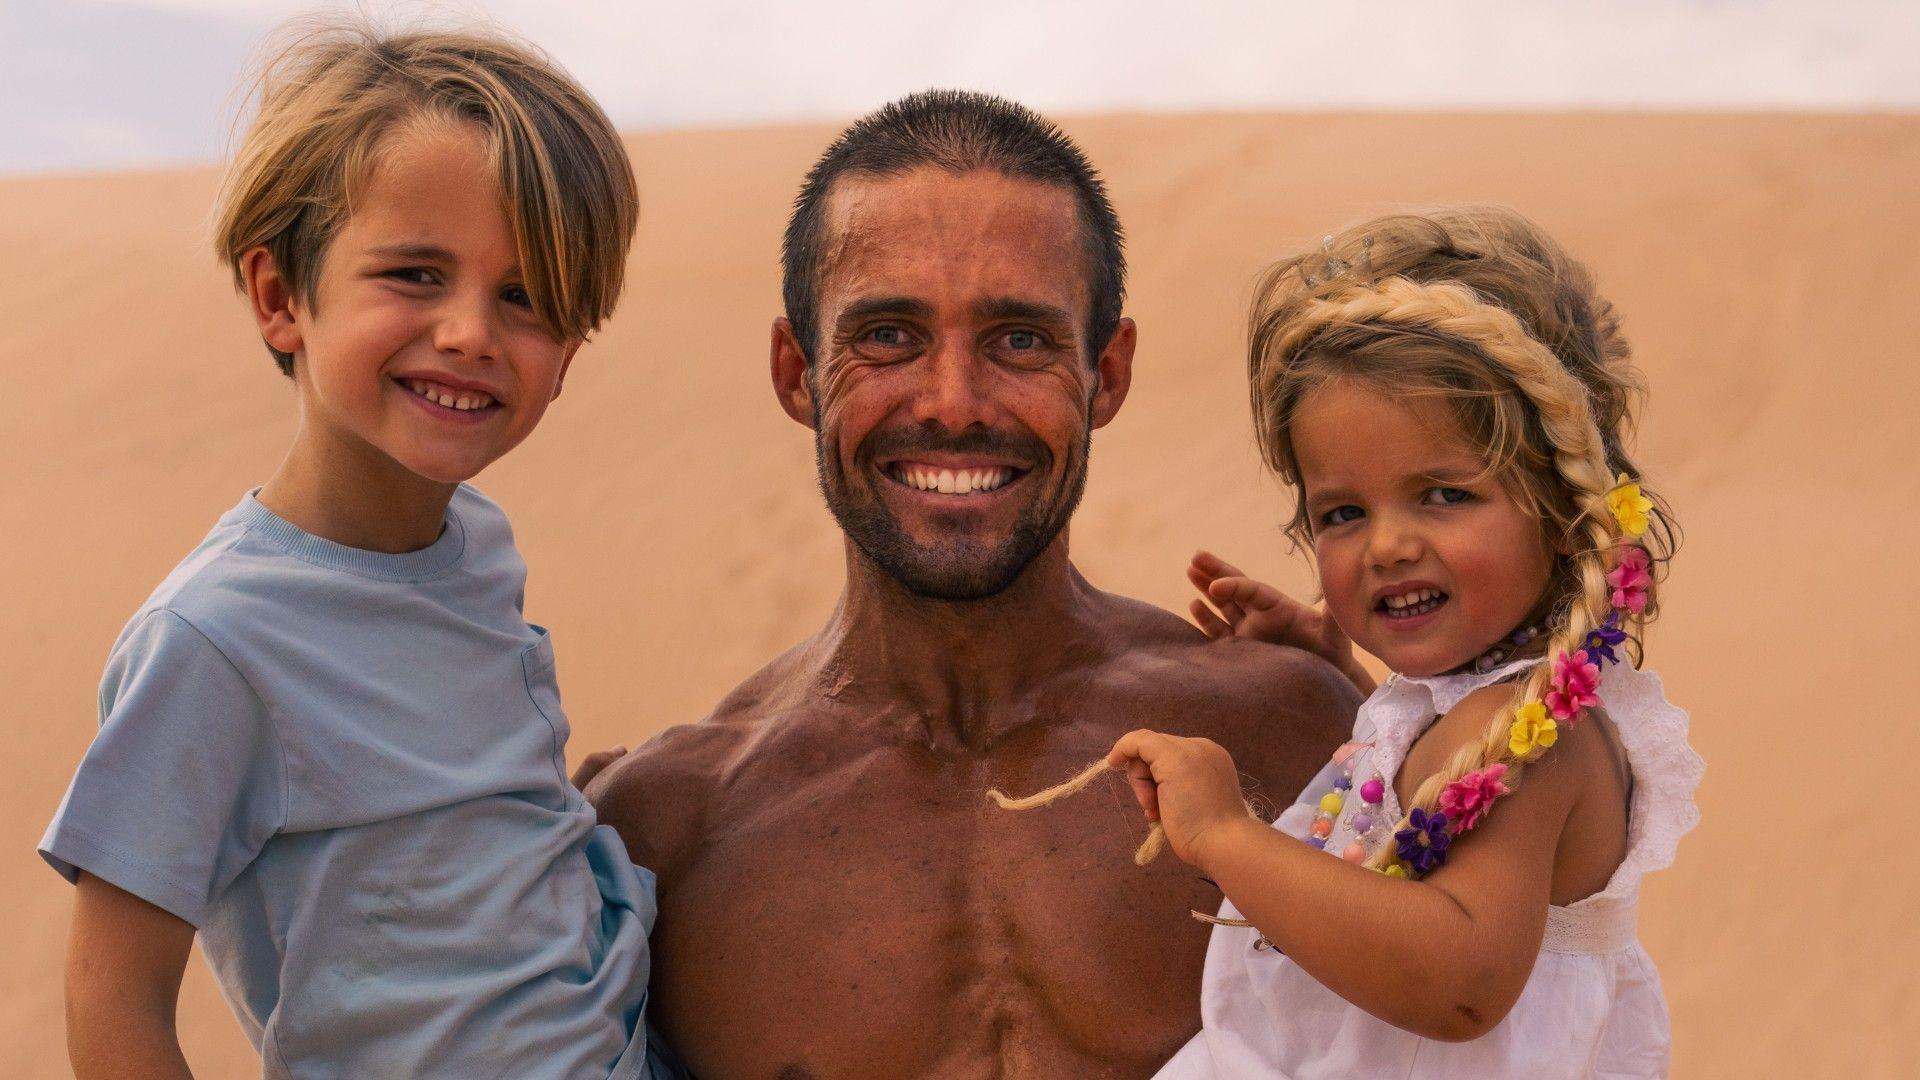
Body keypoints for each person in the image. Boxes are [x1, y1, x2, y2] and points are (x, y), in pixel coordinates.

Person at [587, 90, 1358, 1078]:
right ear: (796, 371)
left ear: (1108, 373)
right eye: (889, 336)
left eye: (1020, 340)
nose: (953, 403)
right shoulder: (664, 835)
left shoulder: (1288, 736)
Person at [39, 23, 664, 1078]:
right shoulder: (216, 640)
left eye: (526, 297)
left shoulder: (477, 548)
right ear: (282, 297)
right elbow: (113, 995)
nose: (470, 331)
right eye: (415, 274)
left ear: (568, 356)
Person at [1101, 207, 1704, 1078]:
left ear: (1564, 513)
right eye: (1343, 513)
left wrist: (1229, 835)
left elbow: (1458, 982)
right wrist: (1341, 671)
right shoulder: (1481, 712)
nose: (1386, 545)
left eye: (1444, 495)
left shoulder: (1537, 744)